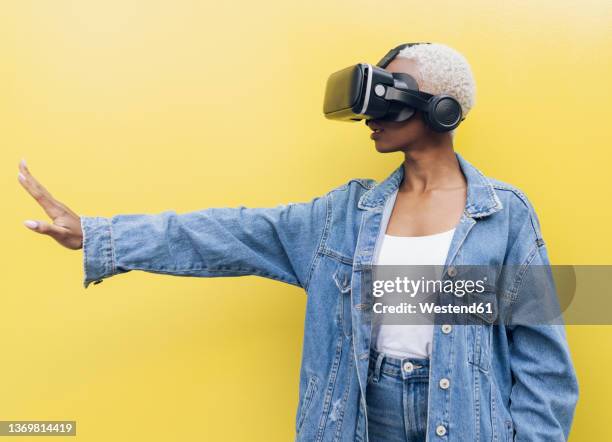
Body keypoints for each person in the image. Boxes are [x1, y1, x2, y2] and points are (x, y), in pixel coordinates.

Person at [18, 43, 578, 441]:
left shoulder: (504, 216)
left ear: (441, 106)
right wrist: (99, 234)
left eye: (387, 95)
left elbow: (543, 366)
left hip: (467, 418)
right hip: (360, 412)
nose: (369, 117)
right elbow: (230, 233)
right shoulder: (342, 214)